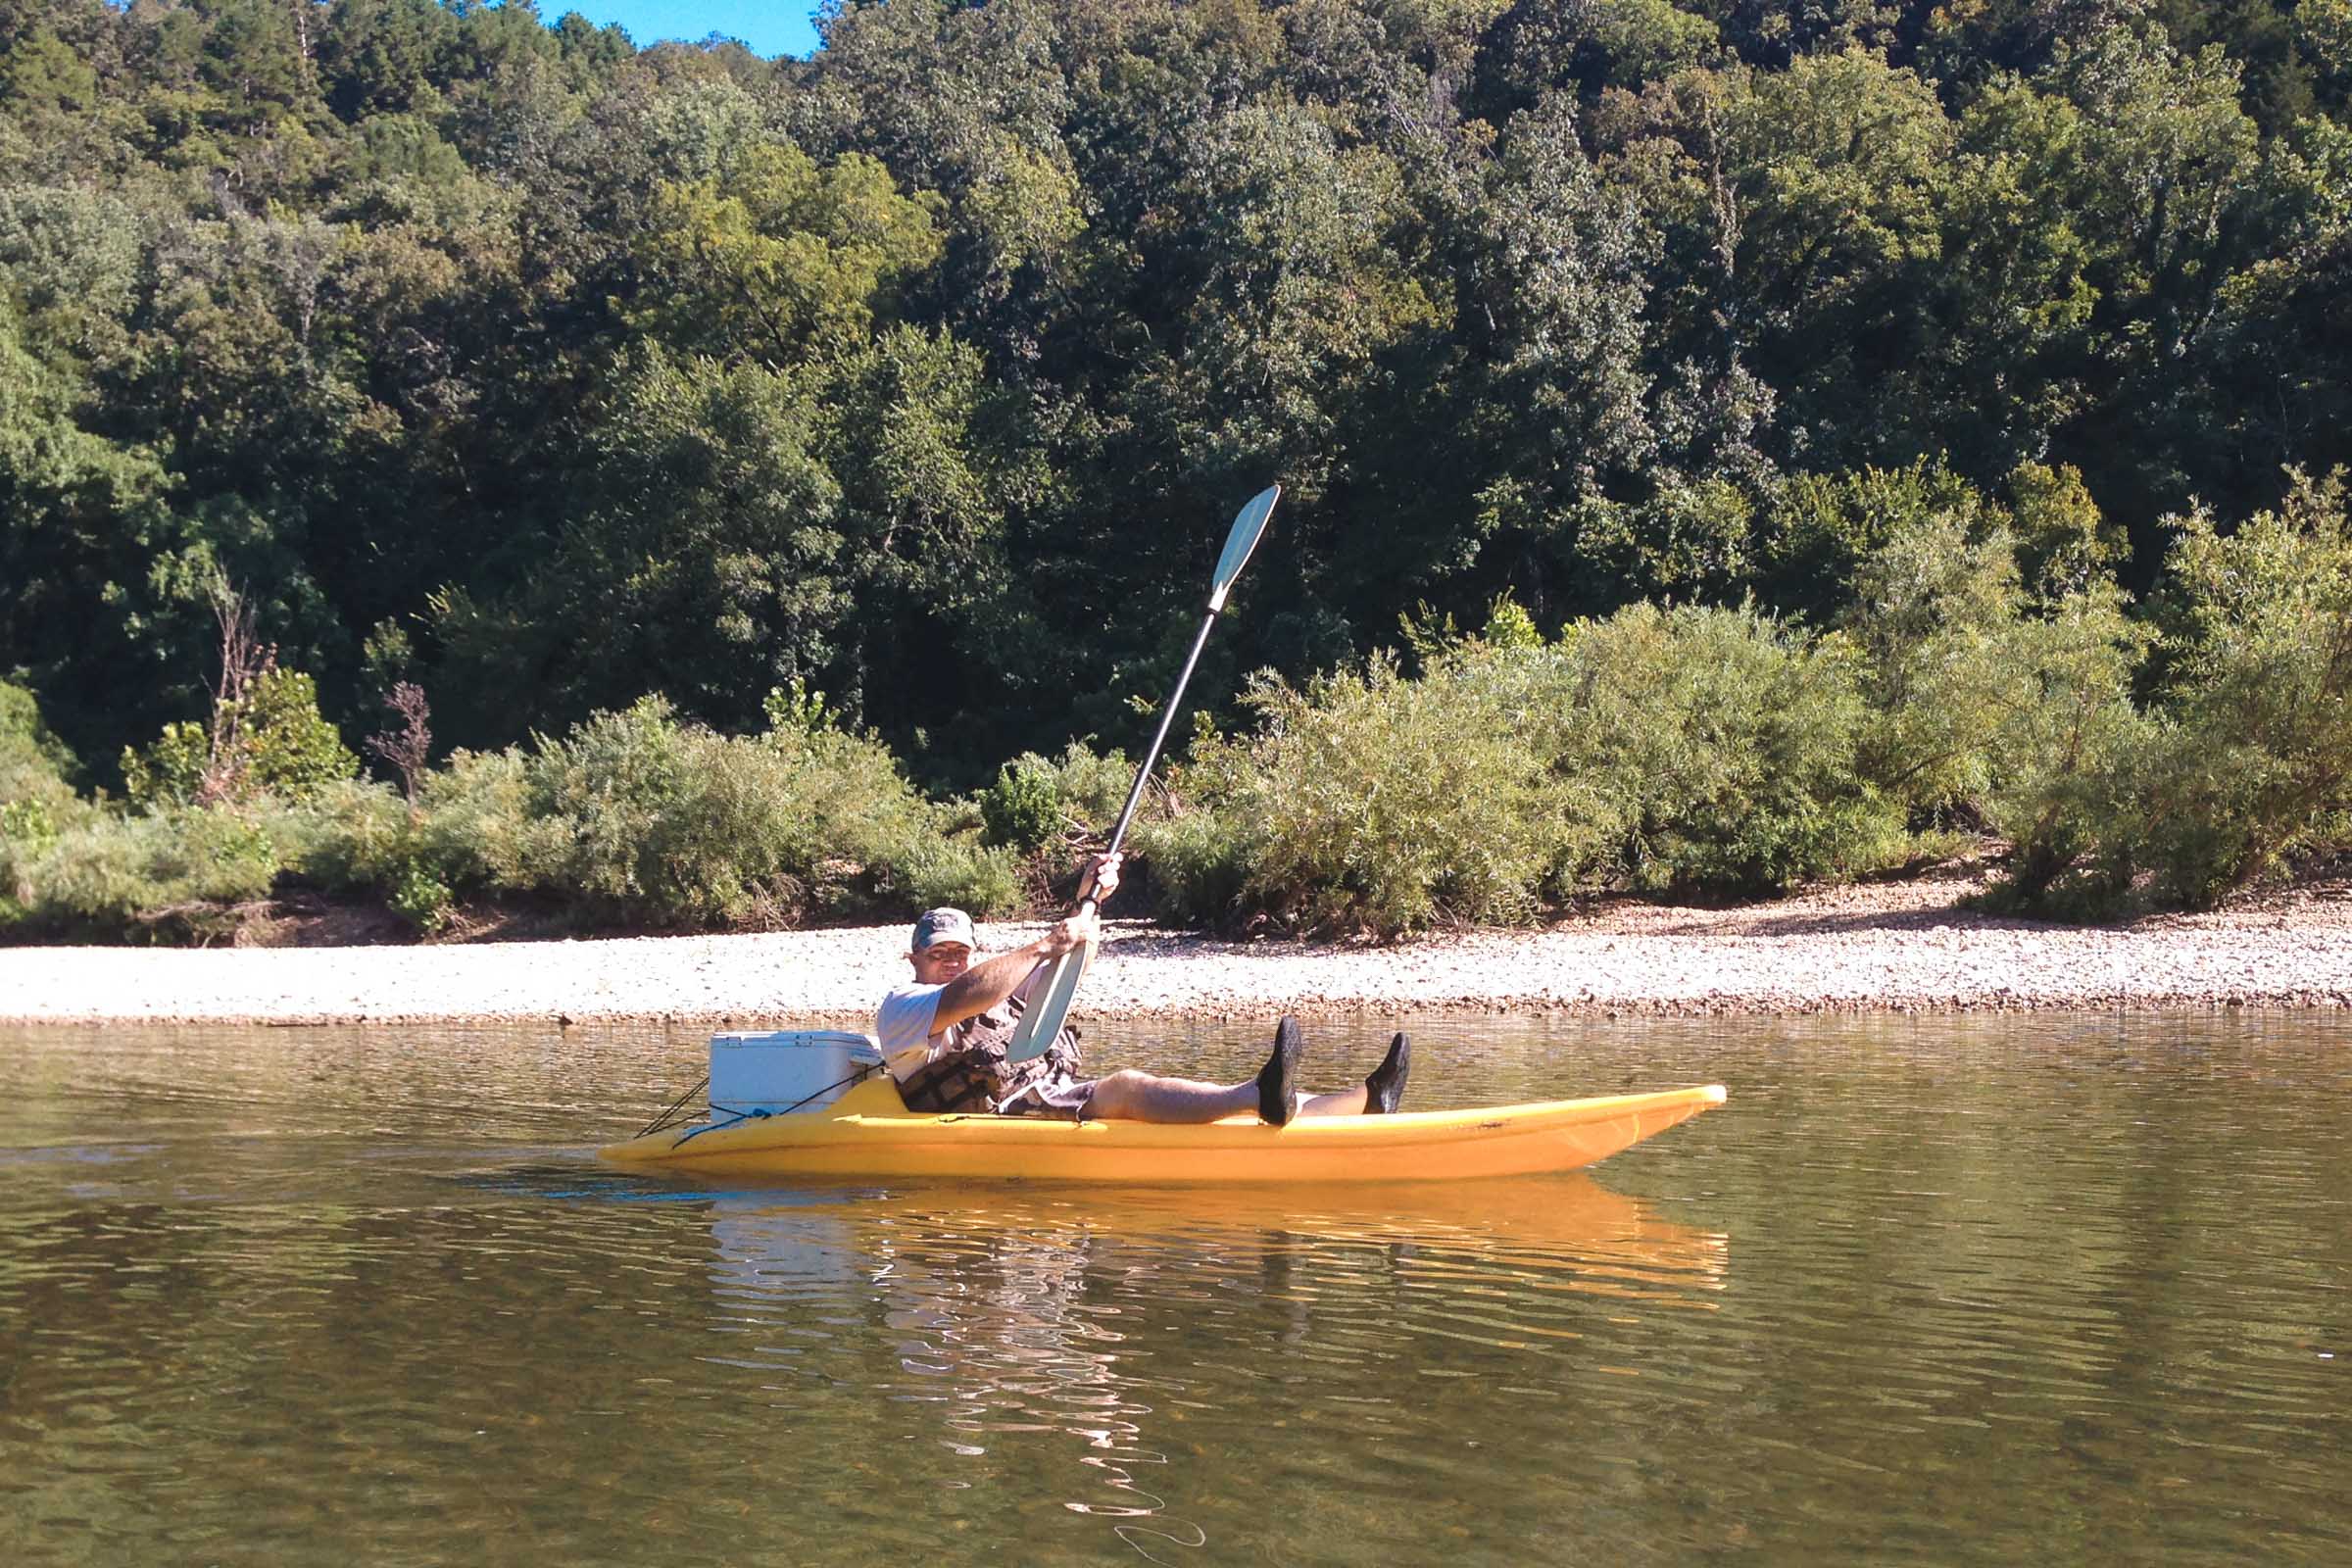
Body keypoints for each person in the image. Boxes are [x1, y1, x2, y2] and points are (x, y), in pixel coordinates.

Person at [875, 852, 1410, 1123]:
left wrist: (1090, 902)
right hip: (990, 1120)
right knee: (1128, 1084)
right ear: (915, 957)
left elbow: (1071, 966)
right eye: (937, 953)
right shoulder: (904, 1007)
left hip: (1045, 1094)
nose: (950, 961)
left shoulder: (998, 979)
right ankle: (1261, 1095)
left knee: (1191, 1090)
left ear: (974, 952)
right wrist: (1046, 941)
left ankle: (1363, 1102)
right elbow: (969, 996)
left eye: (960, 953)